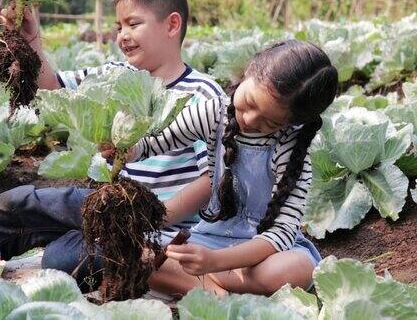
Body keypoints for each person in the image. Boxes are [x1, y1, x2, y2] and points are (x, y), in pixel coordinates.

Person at [0, 0, 223, 289]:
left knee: (73, 259)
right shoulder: (116, 76)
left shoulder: (204, 94)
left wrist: (155, 216)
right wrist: (31, 41)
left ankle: (28, 264)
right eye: (118, 27)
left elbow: (214, 179)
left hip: (165, 231)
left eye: (133, 24)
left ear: (172, 25)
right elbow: (56, 88)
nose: (122, 35)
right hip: (112, 208)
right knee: (23, 201)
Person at [109, 39, 338, 296]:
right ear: (250, 69)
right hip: (209, 239)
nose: (249, 119)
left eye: (270, 122)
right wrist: (129, 149)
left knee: (294, 269)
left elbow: (280, 235)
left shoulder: (291, 148)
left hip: (261, 253)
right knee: (132, 253)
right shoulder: (214, 112)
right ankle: (215, 293)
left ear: (292, 124)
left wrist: (214, 262)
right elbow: (159, 139)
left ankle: (200, 286)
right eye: (250, 102)